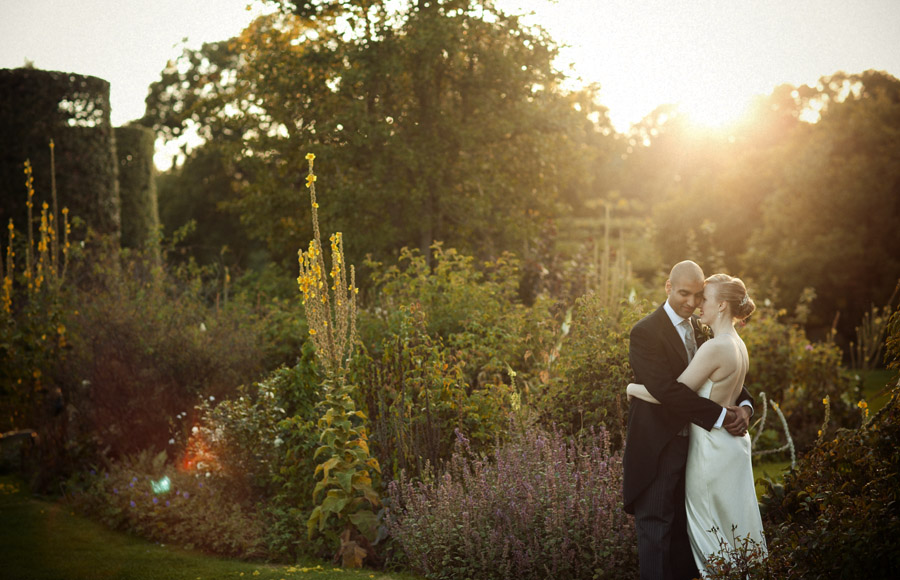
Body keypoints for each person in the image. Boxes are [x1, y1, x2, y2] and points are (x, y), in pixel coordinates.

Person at [627, 272, 767, 577]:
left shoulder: (708, 338)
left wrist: (744, 406)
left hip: (707, 444)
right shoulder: (647, 332)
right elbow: (673, 388)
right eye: (686, 295)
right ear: (668, 288)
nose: (694, 303)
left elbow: (670, 391)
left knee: (708, 528)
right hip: (669, 443)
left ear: (720, 306)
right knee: (691, 525)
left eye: (701, 297)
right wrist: (732, 410)